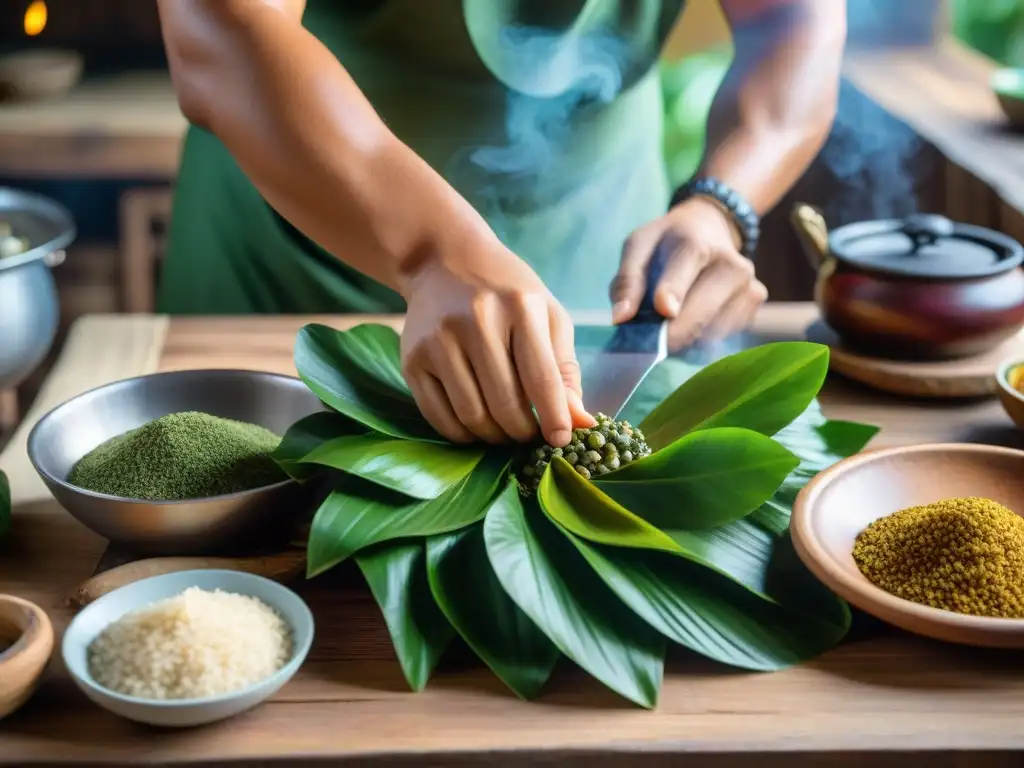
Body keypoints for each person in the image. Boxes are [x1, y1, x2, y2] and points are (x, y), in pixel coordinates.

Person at [156, 0, 846, 448]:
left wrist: (719, 204)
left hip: (597, 258)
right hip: (297, 245)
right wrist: (431, 253)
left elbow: (789, 19)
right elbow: (219, 28)